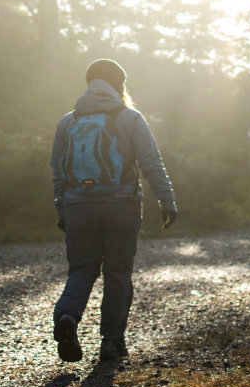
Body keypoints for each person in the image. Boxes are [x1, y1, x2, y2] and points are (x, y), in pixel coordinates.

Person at [50, 59, 178, 362]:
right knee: (118, 271)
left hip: (79, 205)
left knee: (82, 269)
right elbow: (151, 163)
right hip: (122, 204)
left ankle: (67, 318)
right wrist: (167, 200)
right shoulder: (130, 117)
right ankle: (111, 342)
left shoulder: (68, 121)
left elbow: (58, 170)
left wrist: (62, 207)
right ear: (119, 84)